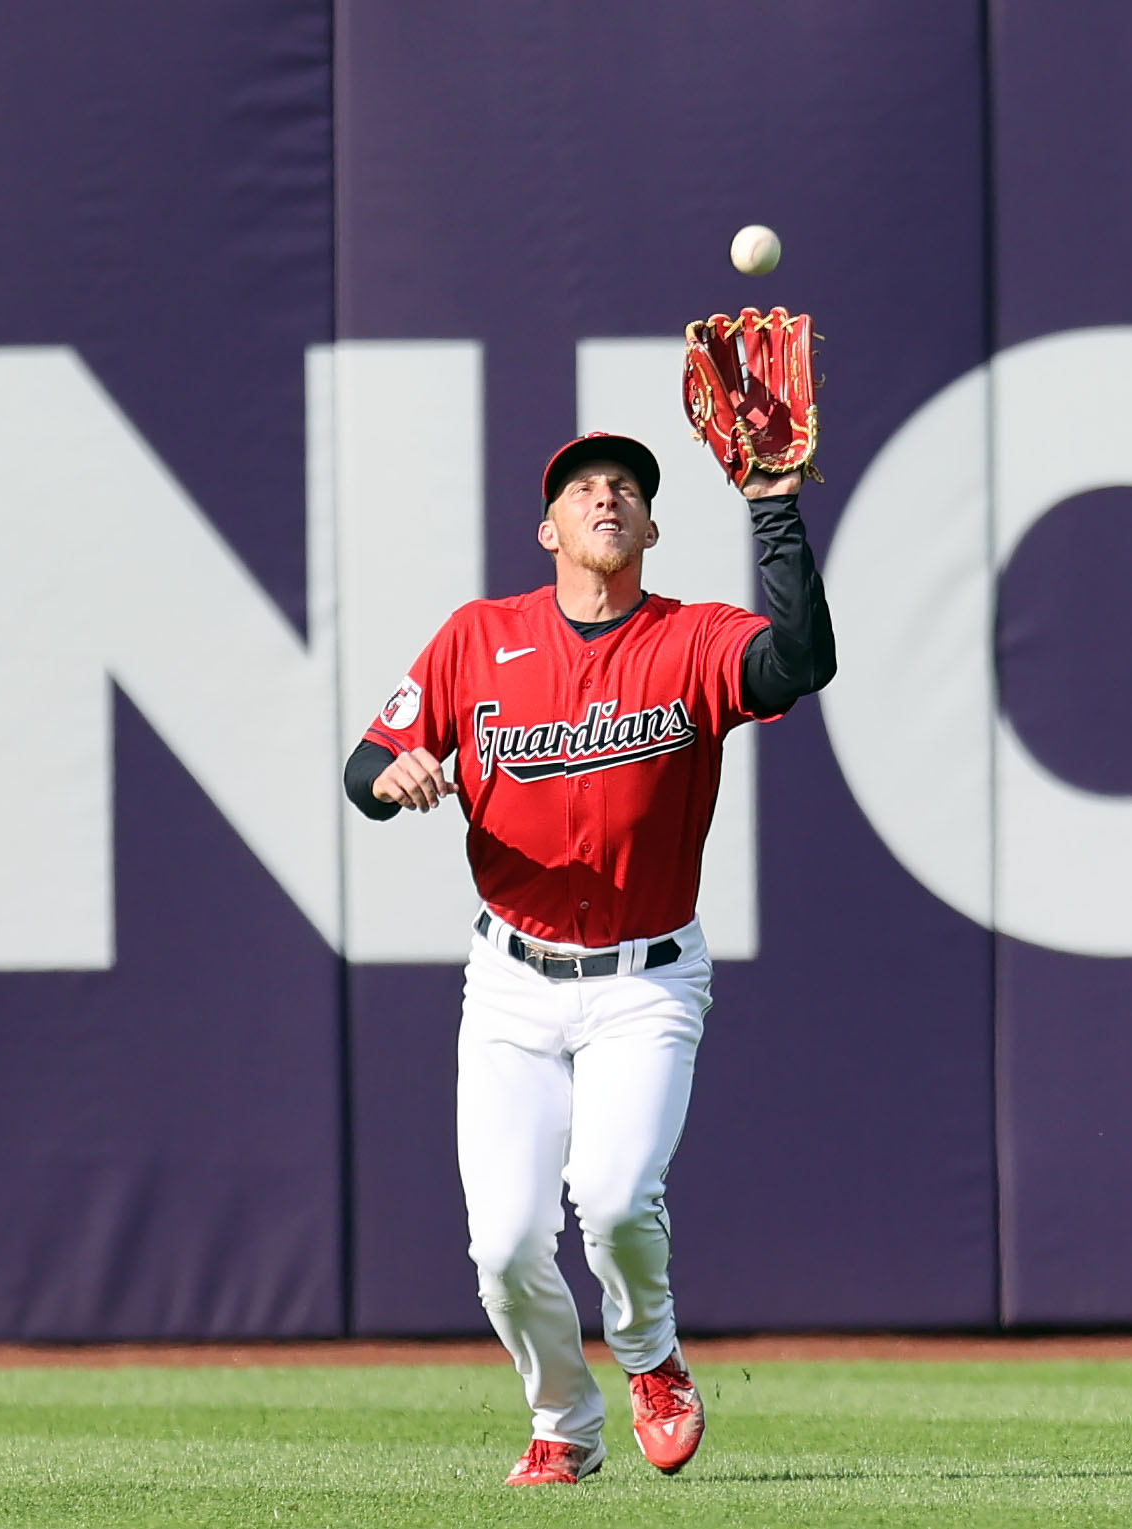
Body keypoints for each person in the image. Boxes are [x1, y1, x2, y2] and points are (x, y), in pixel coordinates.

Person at [343, 430, 836, 1485]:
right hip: (512, 980)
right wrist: (395, 778)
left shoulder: (694, 639)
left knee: (612, 1198)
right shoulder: (478, 637)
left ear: (651, 528)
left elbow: (800, 662)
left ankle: (651, 1355)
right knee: (505, 1245)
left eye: (625, 489)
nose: (605, 497)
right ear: (548, 528)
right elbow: (365, 761)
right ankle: (565, 1421)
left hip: (646, 977)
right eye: (582, 488)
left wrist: (774, 506)